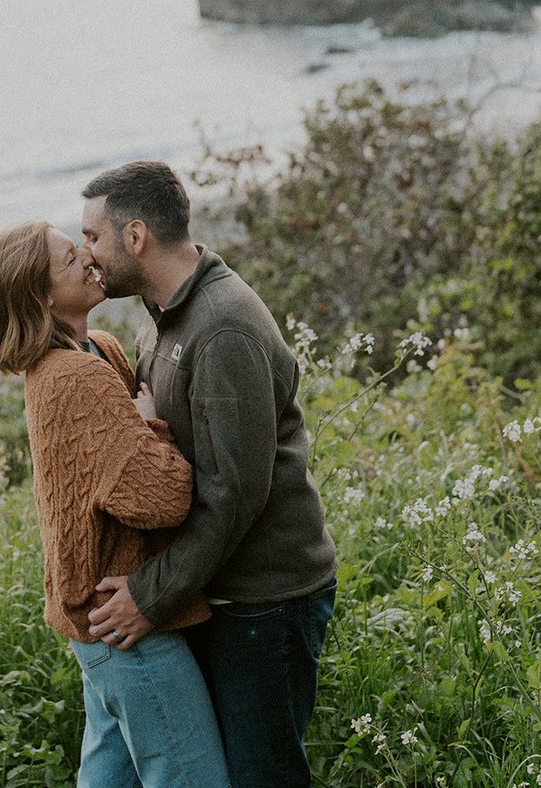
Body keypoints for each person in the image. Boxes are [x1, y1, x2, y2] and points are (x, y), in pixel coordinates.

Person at [80, 161, 338, 788]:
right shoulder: (163, 312)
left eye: (92, 237)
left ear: (135, 236)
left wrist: (151, 593)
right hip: (216, 591)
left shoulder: (222, 326)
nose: (87, 255)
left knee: (262, 777)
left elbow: (234, 492)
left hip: (263, 602)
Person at [0, 220, 229, 788]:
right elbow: (161, 498)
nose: (90, 257)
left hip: (99, 618)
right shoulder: (71, 378)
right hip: (125, 623)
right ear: (42, 295)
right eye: (71, 258)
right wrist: (151, 426)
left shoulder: (99, 349)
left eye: (82, 244)